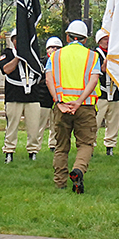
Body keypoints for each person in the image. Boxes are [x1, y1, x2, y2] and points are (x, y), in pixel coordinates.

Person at [45, 20, 101, 194]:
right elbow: (94, 79)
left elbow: (48, 79)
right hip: (85, 107)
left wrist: (59, 102)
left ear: (68, 36)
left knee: (61, 146)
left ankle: (60, 183)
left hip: (61, 108)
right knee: (86, 144)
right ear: (84, 39)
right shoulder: (93, 56)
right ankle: (78, 170)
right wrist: (79, 101)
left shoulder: (55, 56)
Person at [0, 29, 45, 163]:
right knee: (12, 126)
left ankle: (33, 151)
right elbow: (6, 69)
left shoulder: (33, 54)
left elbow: (39, 72)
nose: (18, 41)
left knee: (34, 127)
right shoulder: (7, 53)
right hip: (14, 96)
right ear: (12, 40)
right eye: (16, 39)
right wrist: (19, 57)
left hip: (33, 96)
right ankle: (9, 151)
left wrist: (29, 56)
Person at [94, 30, 119, 156]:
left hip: (115, 92)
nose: (107, 41)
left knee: (113, 121)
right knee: (95, 121)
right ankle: (90, 146)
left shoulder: (116, 54)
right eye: (105, 39)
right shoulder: (95, 54)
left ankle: (110, 146)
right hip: (101, 94)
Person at [44, 36, 64, 152]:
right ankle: (34, 148)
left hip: (58, 98)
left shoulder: (63, 63)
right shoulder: (42, 61)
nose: (54, 49)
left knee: (55, 124)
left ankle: (53, 145)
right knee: (40, 125)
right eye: (51, 47)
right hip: (44, 98)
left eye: (57, 47)